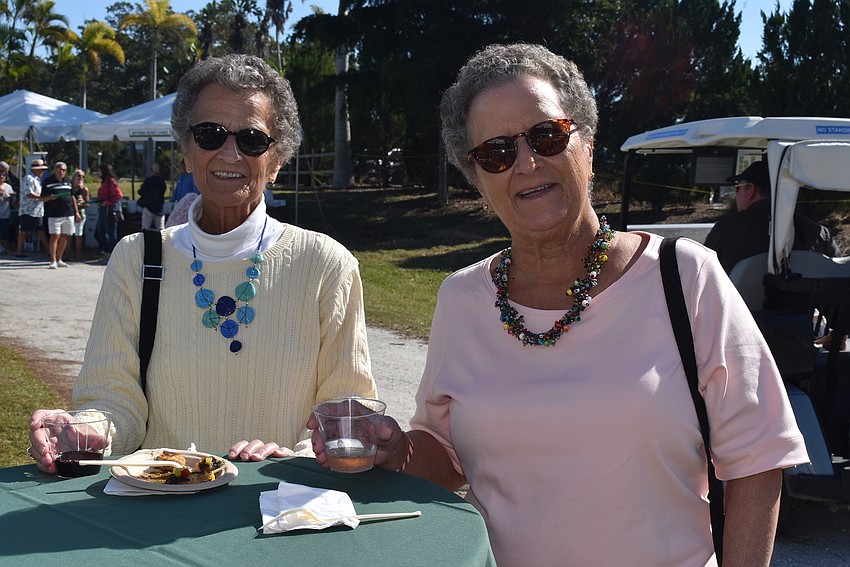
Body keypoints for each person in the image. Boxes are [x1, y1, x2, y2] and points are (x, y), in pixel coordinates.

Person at [309, 43, 809, 566]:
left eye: (547, 136)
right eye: (496, 153)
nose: (526, 163)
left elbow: (758, 458)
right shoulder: (462, 298)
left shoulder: (685, 278)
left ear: (587, 146)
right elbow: (450, 456)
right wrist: (397, 450)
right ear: (479, 181)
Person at [29, 53, 376, 472]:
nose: (229, 154)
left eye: (251, 139)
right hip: (159, 507)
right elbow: (112, 399)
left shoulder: (327, 265)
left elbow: (347, 415)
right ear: (187, 153)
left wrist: (296, 457)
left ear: (276, 162)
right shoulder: (136, 258)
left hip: (279, 510)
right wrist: (83, 429)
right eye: (210, 135)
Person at [704, 159, 841, 273]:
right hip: (805, 306)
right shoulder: (819, 233)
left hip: (737, 306)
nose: (736, 194)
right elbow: (837, 274)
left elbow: (700, 273)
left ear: (751, 189)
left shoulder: (726, 229)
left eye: (737, 188)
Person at [41, 161, 78, 268]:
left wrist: (76, 212)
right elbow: (42, 198)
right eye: (59, 169)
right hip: (54, 214)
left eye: (63, 170)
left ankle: (59, 259)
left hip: (68, 213)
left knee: (65, 236)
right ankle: (52, 260)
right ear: (55, 170)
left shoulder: (68, 182)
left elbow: (72, 197)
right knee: (54, 236)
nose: (61, 172)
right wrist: (50, 197)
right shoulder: (48, 181)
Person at [15, 158, 49, 259]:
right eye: (41, 169)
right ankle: (19, 251)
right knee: (24, 231)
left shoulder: (37, 179)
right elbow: (29, 193)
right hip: (28, 210)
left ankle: (49, 250)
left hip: (37, 210)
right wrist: (42, 197)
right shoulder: (28, 178)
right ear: (35, 170)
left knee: (40, 229)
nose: (42, 172)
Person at [94, 162, 123, 263]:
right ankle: (106, 252)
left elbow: (118, 195)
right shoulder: (105, 182)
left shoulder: (111, 182)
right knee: (101, 231)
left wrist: (107, 202)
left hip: (110, 210)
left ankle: (112, 254)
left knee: (110, 233)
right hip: (103, 209)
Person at [137, 163, 166, 230]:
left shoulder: (148, 180)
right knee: (161, 229)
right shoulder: (162, 182)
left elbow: (141, 192)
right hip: (159, 207)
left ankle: (146, 240)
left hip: (148, 207)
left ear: (151, 170)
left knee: (145, 228)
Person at [70, 169, 90, 261]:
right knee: (68, 234)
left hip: (80, 213)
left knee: (78, 234)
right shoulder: (70, 188)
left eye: (82, 176)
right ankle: (67, 253)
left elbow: (87, 203)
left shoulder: (84, 189)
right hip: (69, 213)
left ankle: (78, 254)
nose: (80, 178)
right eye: (78, 175)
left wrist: (82, 203)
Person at [0, 169, 15, 254]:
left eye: (3, 176)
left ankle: (6, 248)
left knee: (5, 231)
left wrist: (11, 197)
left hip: (5, 212)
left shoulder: (8, 187)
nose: (1, 177)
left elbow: (12, 198)